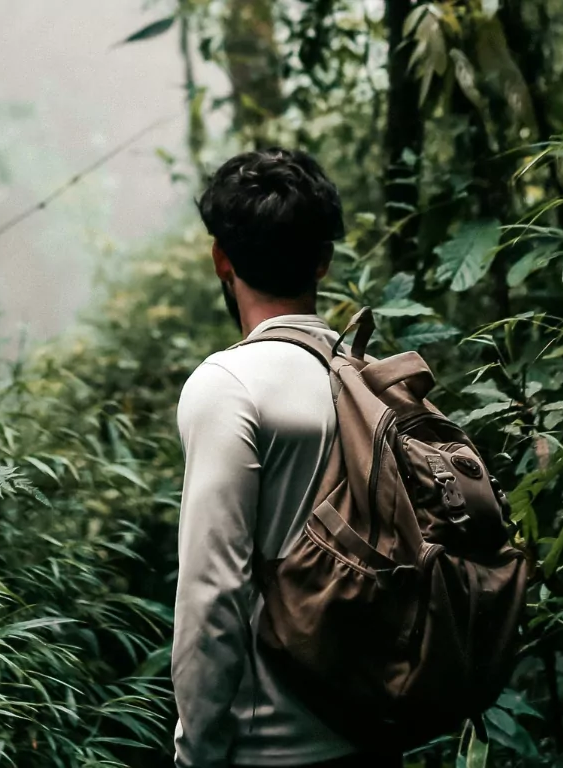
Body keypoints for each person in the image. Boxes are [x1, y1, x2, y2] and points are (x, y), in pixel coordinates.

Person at [172, 148, 395, 768]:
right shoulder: (375, 384)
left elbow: (212, 593)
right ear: (323, 259)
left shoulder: (229, 386)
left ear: (222, 258)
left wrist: (197, 753)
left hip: (269, 750)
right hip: (376, 734)